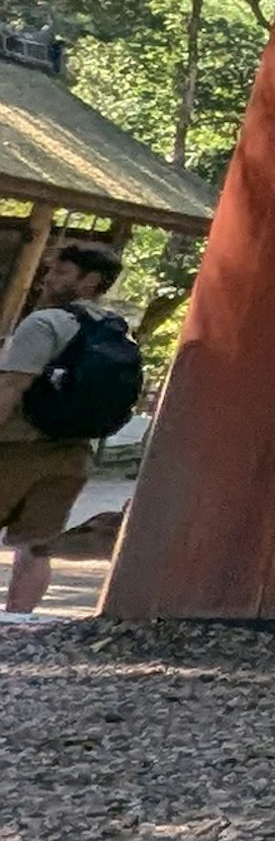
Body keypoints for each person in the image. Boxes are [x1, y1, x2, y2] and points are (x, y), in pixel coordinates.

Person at [0, 241, 141, 620]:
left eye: (61, 272)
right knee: (36, 544)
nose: (47, 279)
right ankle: (17, 620)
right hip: (73, 454)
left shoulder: (45, 323)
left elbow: (12, 386)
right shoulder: (117, 332)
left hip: (17, 447)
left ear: (90, 280)